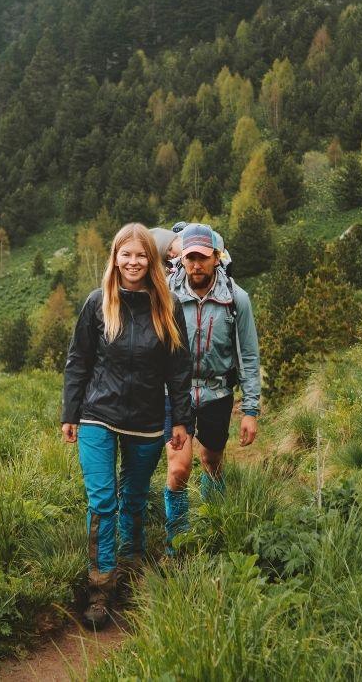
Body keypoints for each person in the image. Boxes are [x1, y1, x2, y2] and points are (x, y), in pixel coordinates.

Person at [61, 223, 192, 629]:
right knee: (102, 499)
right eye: (126, 254)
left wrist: (182, 420)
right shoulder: (97, 303)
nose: (133, 262)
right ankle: (100, 586)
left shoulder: (166, 307)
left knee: (134, 499)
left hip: (148, 422)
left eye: (140, 256)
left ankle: (130, 567)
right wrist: (70, 413)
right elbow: (78, 360)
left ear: (151, 261)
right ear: (115, 258)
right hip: (98, 414)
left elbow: (179, 370)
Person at [162, 222, 261, 552]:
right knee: (178, 469)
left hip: (218, 393)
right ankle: (179, 542)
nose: (196, 265)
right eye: (190, 258)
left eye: (203, 258)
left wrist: (250, 409)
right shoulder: (167, 295)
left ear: (216, 258)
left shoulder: (236, 299)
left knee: (212, 462)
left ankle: (213, 521)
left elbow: (248, 354)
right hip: (176, 394)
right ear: (183, 259)